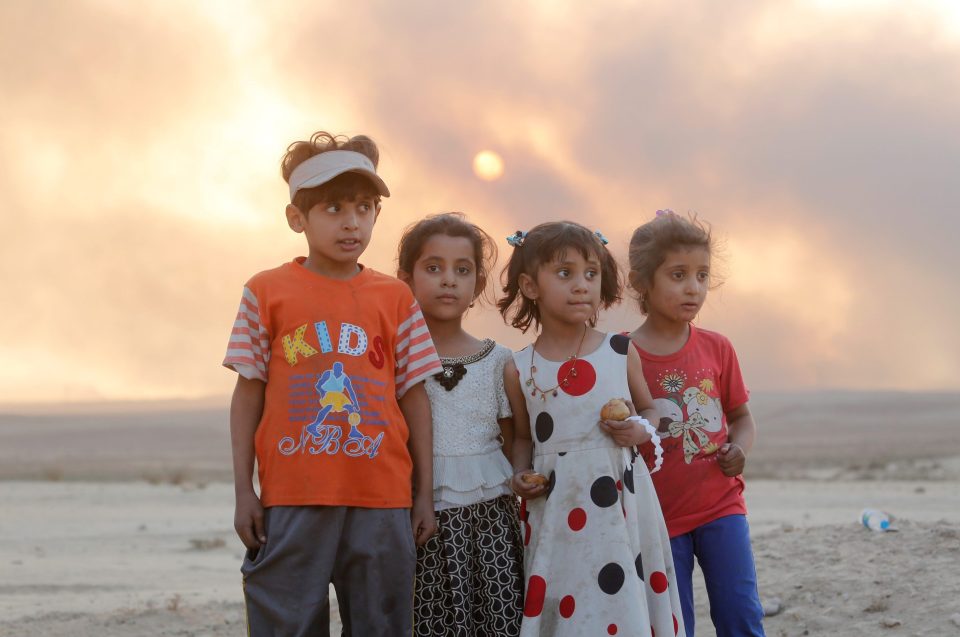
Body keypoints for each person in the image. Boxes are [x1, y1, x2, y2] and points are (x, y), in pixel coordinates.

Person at [222, 131, 442, 636]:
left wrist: (423, 493)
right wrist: (244, 491)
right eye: (334, 207)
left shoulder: (395, 298)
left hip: (382, 495)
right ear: (297, 218)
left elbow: (413, 396)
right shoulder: (266, 292)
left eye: (364, 207)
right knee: (286, 621)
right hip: (293, 492)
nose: (352, 222)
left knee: (382, 624)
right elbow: (248, 393)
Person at [498, 221, 685, 637]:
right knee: (568, 598)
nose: (581, 285)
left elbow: (651, 409)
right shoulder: (520, 366)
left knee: (623, 593)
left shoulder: (620, 351)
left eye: (591, 273)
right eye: (564, 274)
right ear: (530, 286)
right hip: (557, 505)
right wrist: (518, 475)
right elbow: (524, 437)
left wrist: (640, 430)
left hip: (620, 496)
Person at [626, 210, 764, 637]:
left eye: (702, 275)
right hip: (658, 519)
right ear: (641, 283)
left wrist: (740, 449)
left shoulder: (718, 348)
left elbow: (741, 418)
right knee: (673, 624)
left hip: (722, 507)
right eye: (678, 274)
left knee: (740, 613)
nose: (693, 288)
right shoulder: (622, 355)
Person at [397, 212, 524, 636]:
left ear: (478, 286)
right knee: (429, 620)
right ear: (406, 279)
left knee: (498, 618)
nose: (448, 280)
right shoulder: (396, 361)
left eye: (462, 270)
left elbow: (515, 440)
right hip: (419, 517)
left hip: (491, 519)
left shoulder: (499, 361)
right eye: (433, 268)